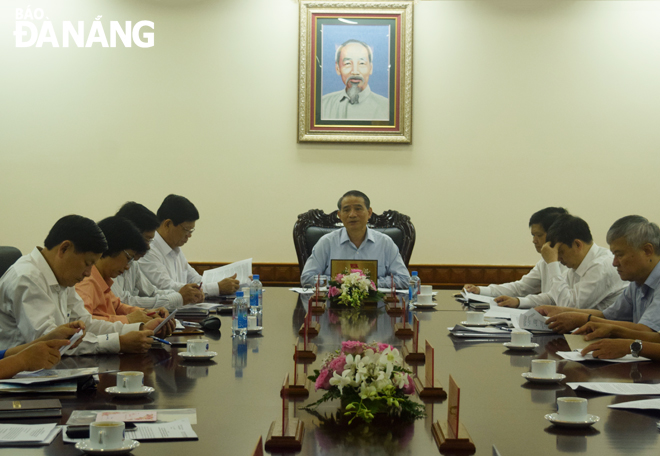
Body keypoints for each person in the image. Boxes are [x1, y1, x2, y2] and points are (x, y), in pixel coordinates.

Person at [0, 215, 173, 355]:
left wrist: (138, 328)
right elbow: (52, 343)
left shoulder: (61, 276)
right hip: (19, 380)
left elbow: (86, 323)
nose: (89, 273)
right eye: (87, 263)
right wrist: (118, 343)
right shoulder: (27, 278)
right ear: (64, 249)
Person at [537, 215, 660, 336]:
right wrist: (562, 311)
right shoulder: (637, 283)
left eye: (620, 255)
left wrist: (582, 319)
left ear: (647, 251)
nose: (614, 263)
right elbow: (607, 316)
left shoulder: (602, 265)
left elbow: (646, 331)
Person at [300, 190, 410, 289]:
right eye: (346, 210)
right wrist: (343, 282)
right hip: (334, 303)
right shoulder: (326, 242)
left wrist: (367, 283)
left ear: (369, 213)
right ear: (340, 215)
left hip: (377, 303)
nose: (352, 215)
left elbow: (404, 279)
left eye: (358, 209)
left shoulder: (385, 243)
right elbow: (307, 278)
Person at [463, 207, 568, 308]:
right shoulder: (544, 261)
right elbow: (521, 288)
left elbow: (556, 299)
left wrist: (519, 302)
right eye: (533, 235)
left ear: (555, 234)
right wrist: (480, 290)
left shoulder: (569, 264)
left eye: (539, 235)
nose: (534, 241)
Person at [139, 195, 240, 296]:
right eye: (187, 230)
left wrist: (226, 283)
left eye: (191, 231)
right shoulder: (148, 250)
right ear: (168, 224)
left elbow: (195, 279)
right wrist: (217, 288)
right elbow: (167, 287)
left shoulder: (175, 249)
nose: (189, 235)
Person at [76, 216, 169, 324]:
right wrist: (128, 319)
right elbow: (83, 323)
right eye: (128, 258)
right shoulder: (86, 282)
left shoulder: (102, 279)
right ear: (113, 247)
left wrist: (147, 313)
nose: (127, 267)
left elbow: (117, 307)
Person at [111, 202, 204, 310]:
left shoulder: (133, 263)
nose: (148, 247)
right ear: (128, 235)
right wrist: (179, 298)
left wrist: (184, 295)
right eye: (146, 240)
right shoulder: (110, 261)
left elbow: (152, 292)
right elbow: (122, 302)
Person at [321, 39, 389, 121]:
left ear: (371, 68)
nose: (355, 72)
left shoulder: (386, 107)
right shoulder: (323, 104)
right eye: (348, 63)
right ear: (337, 68)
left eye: (362, 63)